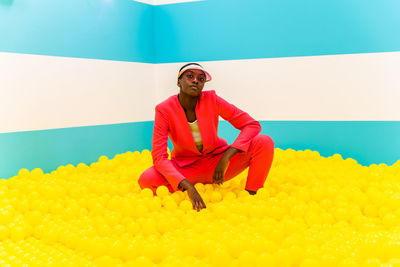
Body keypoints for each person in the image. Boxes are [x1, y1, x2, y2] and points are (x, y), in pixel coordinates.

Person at [138, 63, 275, 211]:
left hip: (218, 165)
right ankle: (191, 183)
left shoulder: (212, 99)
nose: (196, 81)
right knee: (146, 179)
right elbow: (159, 156)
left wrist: (227, 157)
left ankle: (252, 194)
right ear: (179, 81)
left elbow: (251, 125)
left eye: (201, 78)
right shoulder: (164, 109)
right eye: (190, 76)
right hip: (187, 168)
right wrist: (187, 186)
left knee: (264, 141)